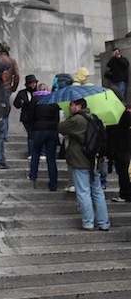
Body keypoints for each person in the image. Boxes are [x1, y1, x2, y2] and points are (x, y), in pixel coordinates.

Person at [57, 98, 110, 231]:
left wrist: (70, 117)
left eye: (72, 105)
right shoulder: (95, 118)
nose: (69, 107)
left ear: (79, 106)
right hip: (95, 160)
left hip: (80, 159)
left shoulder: (77, 120)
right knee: (97, 192)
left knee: (83, 192)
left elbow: (61, 127)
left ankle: (88, 222)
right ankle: (103, 222)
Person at [27, 83, 60, 190]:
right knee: (51, 158)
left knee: (35, 153)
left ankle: (33, 176)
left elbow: (30, 115)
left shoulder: (35, 99)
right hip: (52, 130)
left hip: (39, 129)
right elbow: (57, 117)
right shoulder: (53, 100)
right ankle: (53, 183)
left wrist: (34, 126)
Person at [14, 74, 39, 159]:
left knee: (36, 135)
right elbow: (16, 104)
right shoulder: (22, 93)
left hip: (37, 117)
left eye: (34, 83)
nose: (33, 85)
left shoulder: (38, 93)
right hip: (26, 117)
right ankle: (31, 153)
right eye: (31, 83)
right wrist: (21, 103)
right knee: (31, 135)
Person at [109, 102, 131, 202]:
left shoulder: (119, 118)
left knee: (123, 172)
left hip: (121, 150)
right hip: (125, 149)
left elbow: (114, 136)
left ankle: (125, 194)